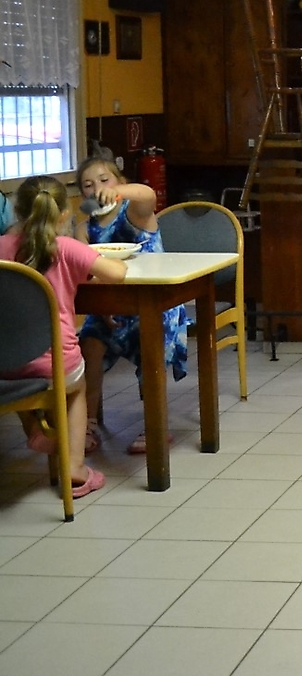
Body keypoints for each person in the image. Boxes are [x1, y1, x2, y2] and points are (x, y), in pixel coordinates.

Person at [0, 175, 125, 497]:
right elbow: (117, 274)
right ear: (64, 214)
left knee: (16, 366)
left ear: (16, 210)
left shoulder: (2, 247)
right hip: (55, 363)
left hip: (5, 364)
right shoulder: (67, 249)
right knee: (74, 388)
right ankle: (75, 468)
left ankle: (35, 429)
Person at [73, 153, 188, 454]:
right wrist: (102, 307)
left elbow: (147, 194)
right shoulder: (85, 229)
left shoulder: (135, 213)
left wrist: (120, 192)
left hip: (154, 304)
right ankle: (87, 422)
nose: (97, 188)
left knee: (151, 345)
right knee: (89, 344)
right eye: (88, 184)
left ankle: (155, 423)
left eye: (104, 180)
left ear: (120, 182)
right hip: (108, 307)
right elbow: (85, 272)